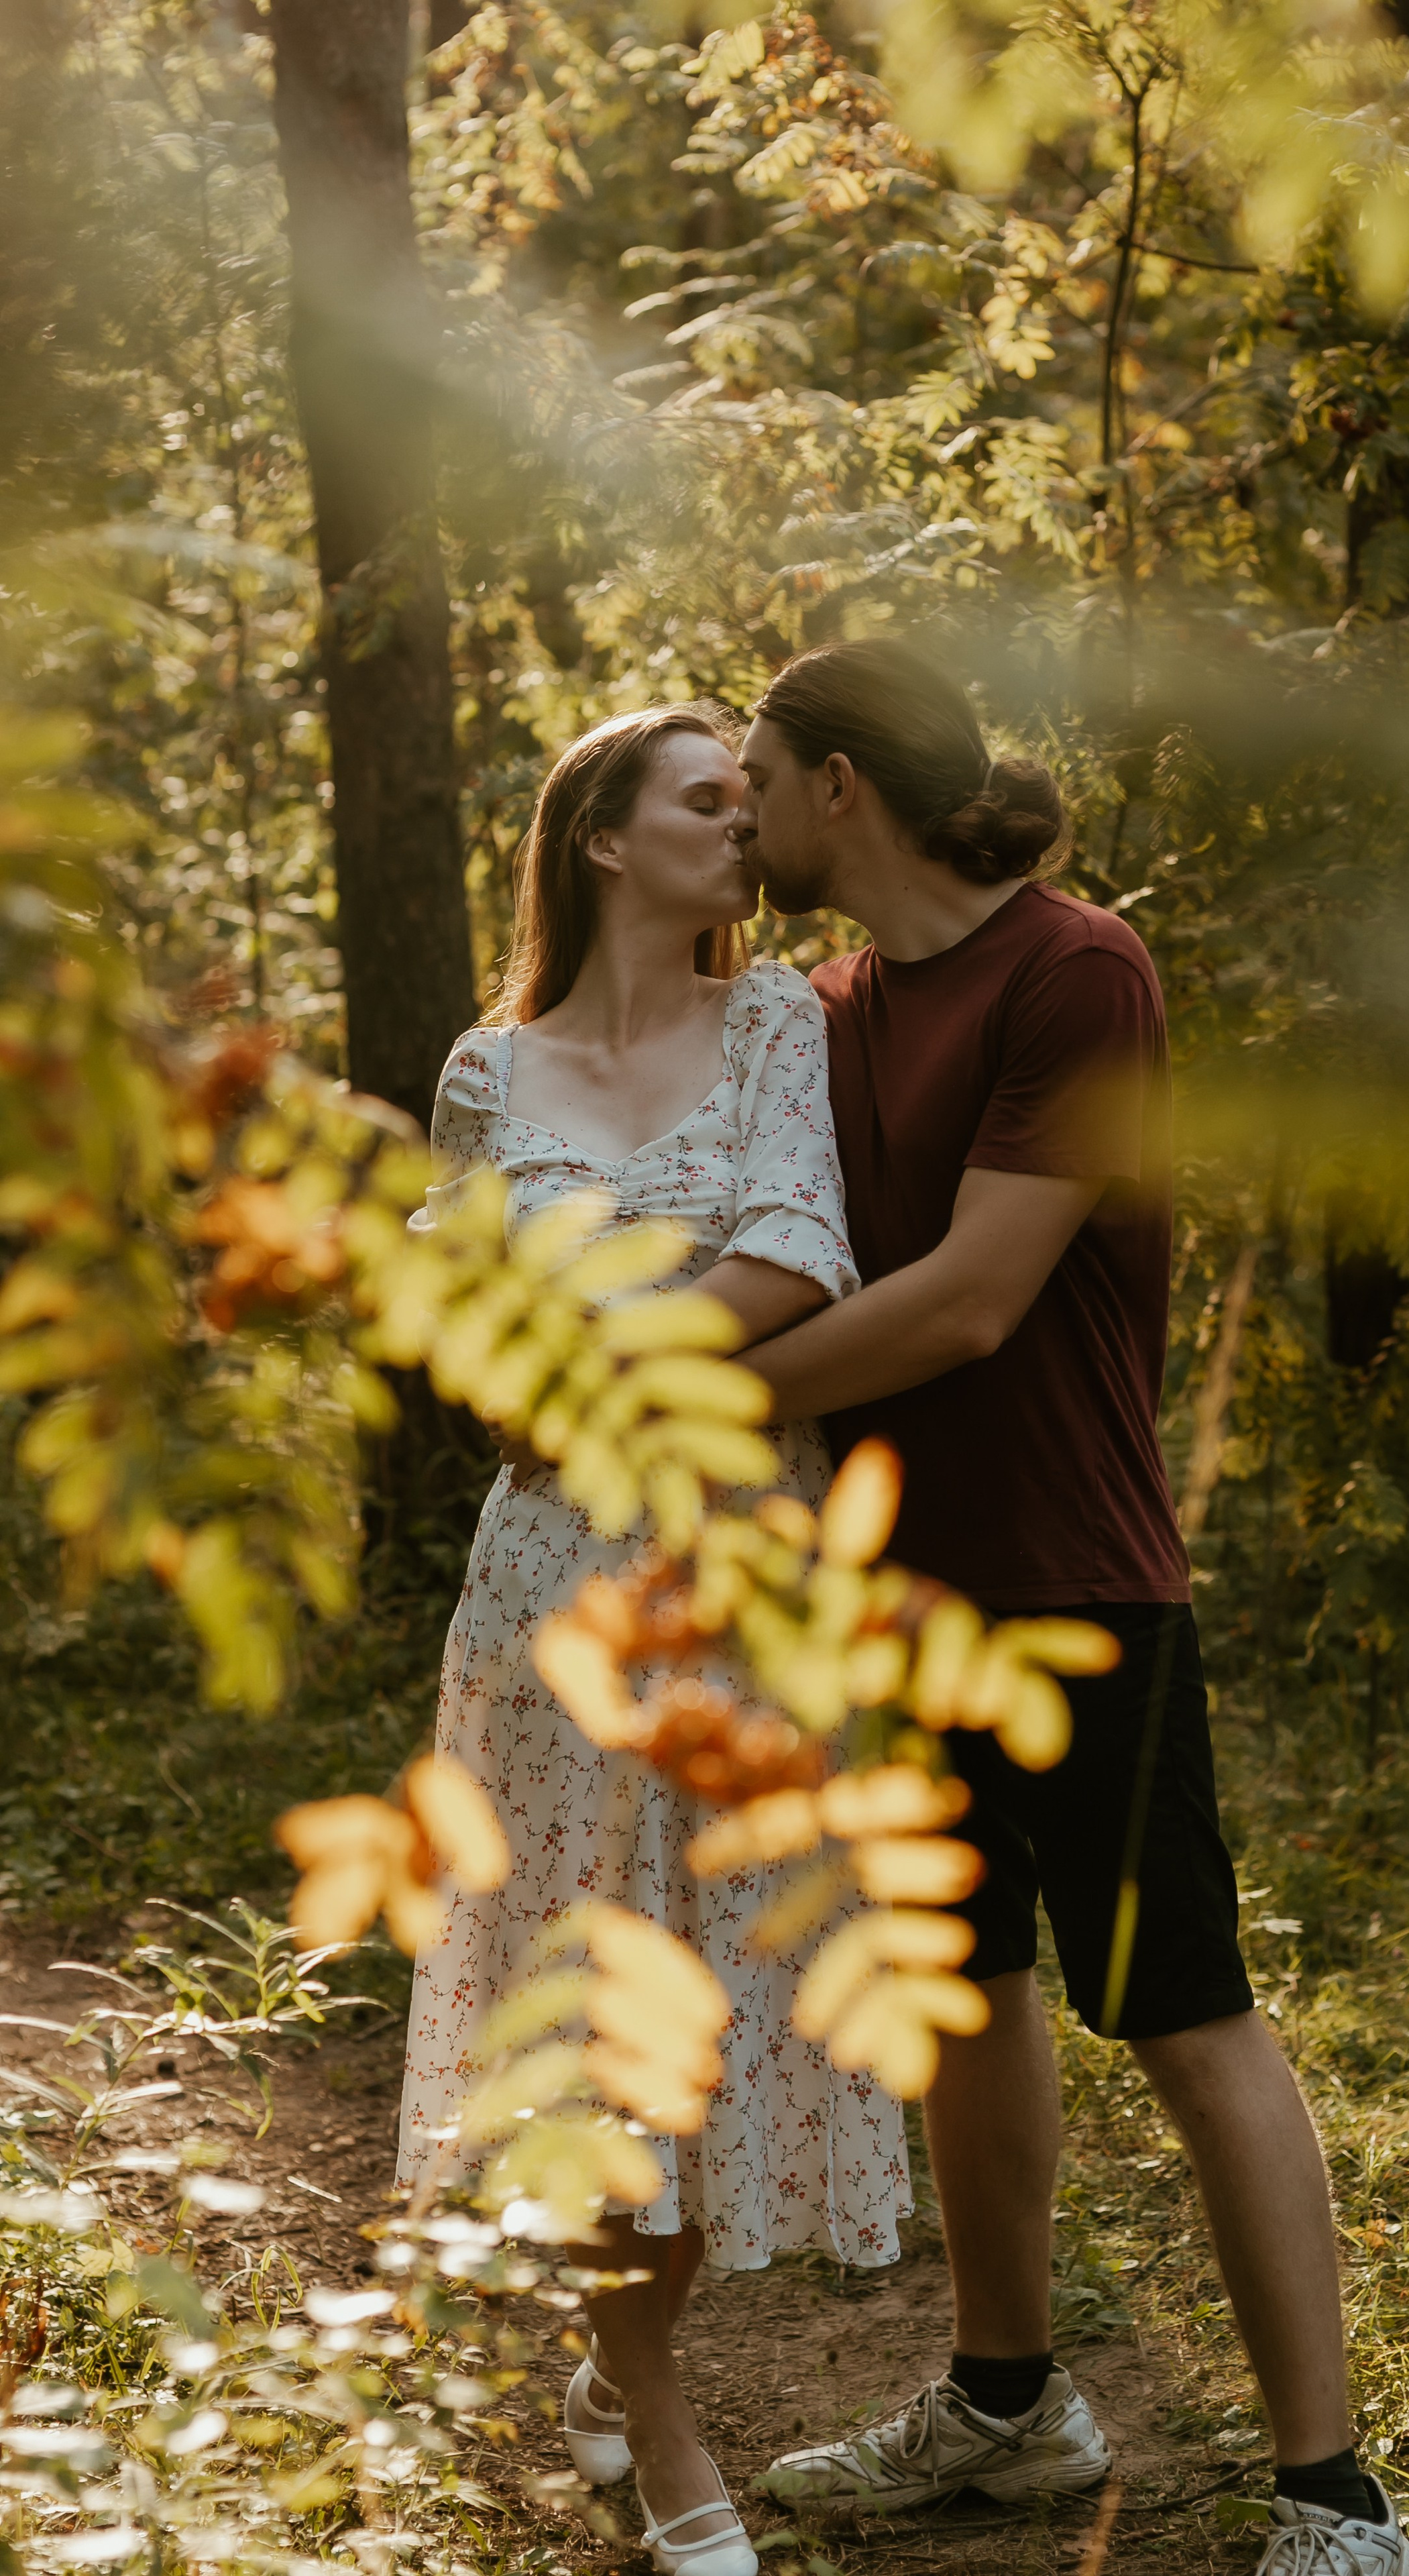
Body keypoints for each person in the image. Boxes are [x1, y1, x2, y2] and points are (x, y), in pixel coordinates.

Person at [729, 641, 1409, 2576]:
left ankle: (1334, 2499)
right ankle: (1009, 2403)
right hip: (898, 1587)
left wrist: (680, 1391)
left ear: (842, 785)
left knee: (1187, 2016)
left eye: (758, 775)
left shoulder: (1077, 969)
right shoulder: (822, 1010)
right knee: (971, 1991)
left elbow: (968, 1299)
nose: (747, 809)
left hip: (1077, 1587)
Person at [396, 704, 911, 2576]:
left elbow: (798, 1252)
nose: (743, 825)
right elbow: (466, 1345)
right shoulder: (485, 1070)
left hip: (743, 1582)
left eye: (747, 798)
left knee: (709, 2027)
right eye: (708, 800)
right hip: (542, 1606)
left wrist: (587, 1360)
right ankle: (670, 2438)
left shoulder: (781, 1020)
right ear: (604, 836)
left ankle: (623, 2367)